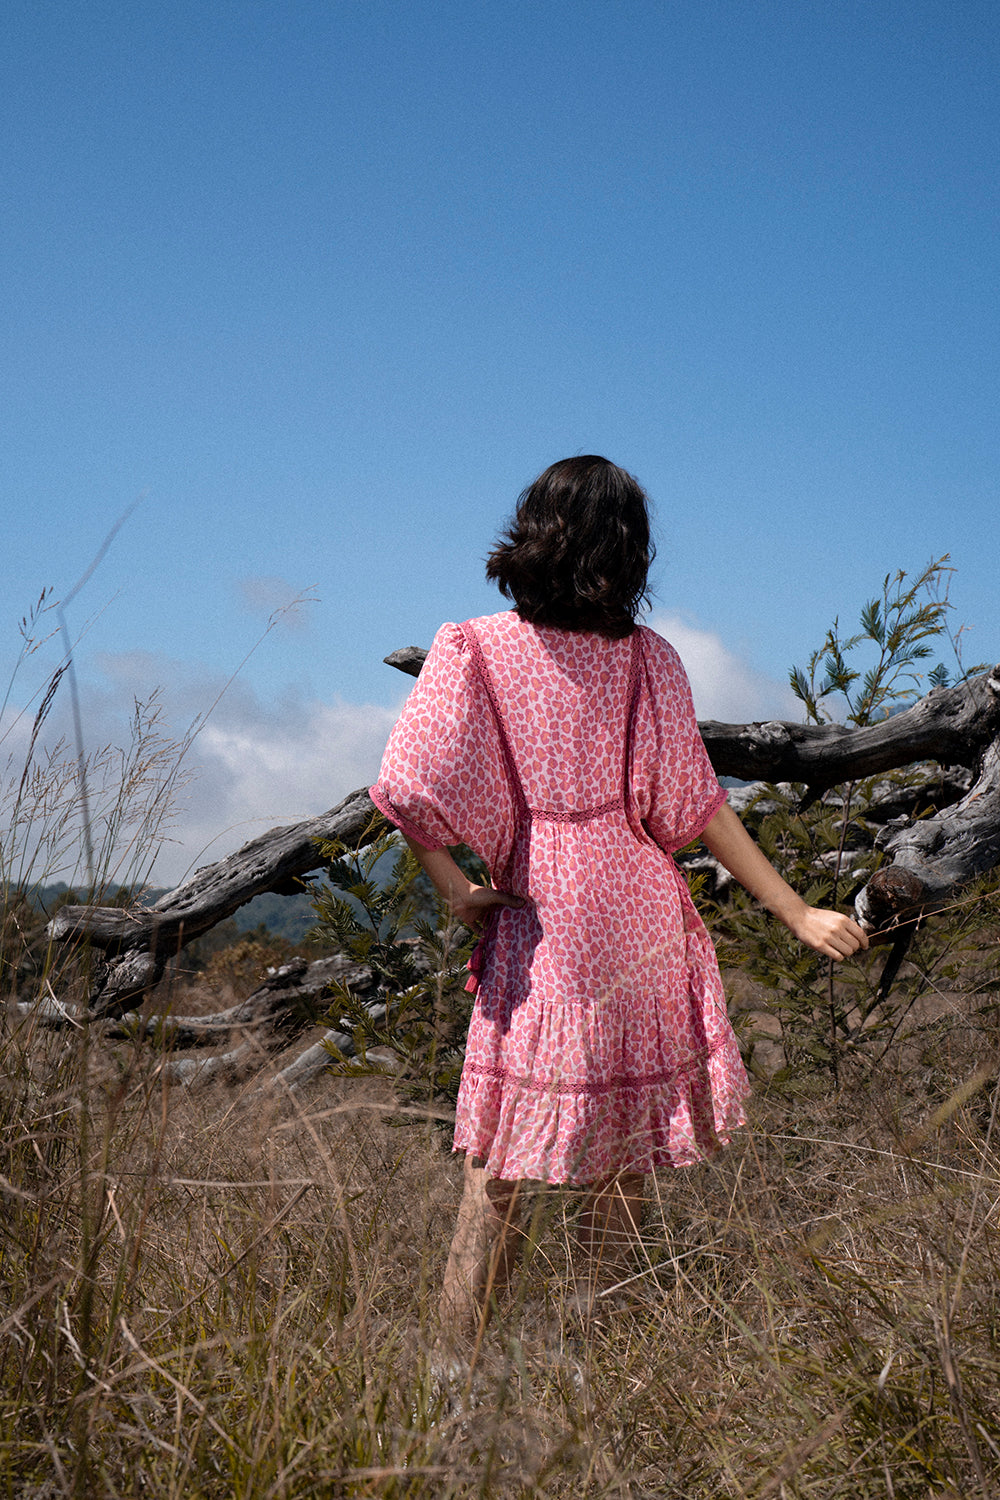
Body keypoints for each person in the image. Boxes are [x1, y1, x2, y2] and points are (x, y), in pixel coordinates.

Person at [369, 455, 868, 1346]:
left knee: (505, 1165)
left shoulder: (473, 647)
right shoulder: (650, 661)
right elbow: (698, 807)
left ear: (533, 533)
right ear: (627, 549)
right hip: (638, 913)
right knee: (621, 1162)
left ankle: (448, 1383)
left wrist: (451, 884)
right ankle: (604, 1379)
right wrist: (794, 911)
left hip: (543, 916)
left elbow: (407, 785)